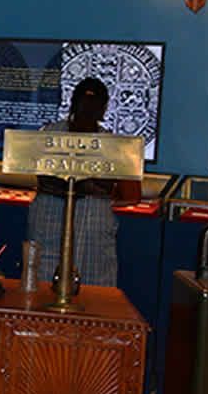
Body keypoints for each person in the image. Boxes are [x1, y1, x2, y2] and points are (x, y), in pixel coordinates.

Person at [27, 78, 141, 287]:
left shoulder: (49, 135)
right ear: (104, 109)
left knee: (65, 291)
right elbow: (131, 194)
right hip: (73, 226)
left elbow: (45, 180)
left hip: (78, 227)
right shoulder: (114, 145)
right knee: (80, 294)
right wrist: (98, 189)